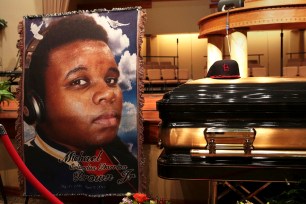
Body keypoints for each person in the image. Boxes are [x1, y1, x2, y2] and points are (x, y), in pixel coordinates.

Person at [23, 14, 138, 196]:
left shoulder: (122, 157)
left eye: (110, 79)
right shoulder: (30, 167)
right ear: (36, 103)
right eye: (79, 82)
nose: (108, 93)